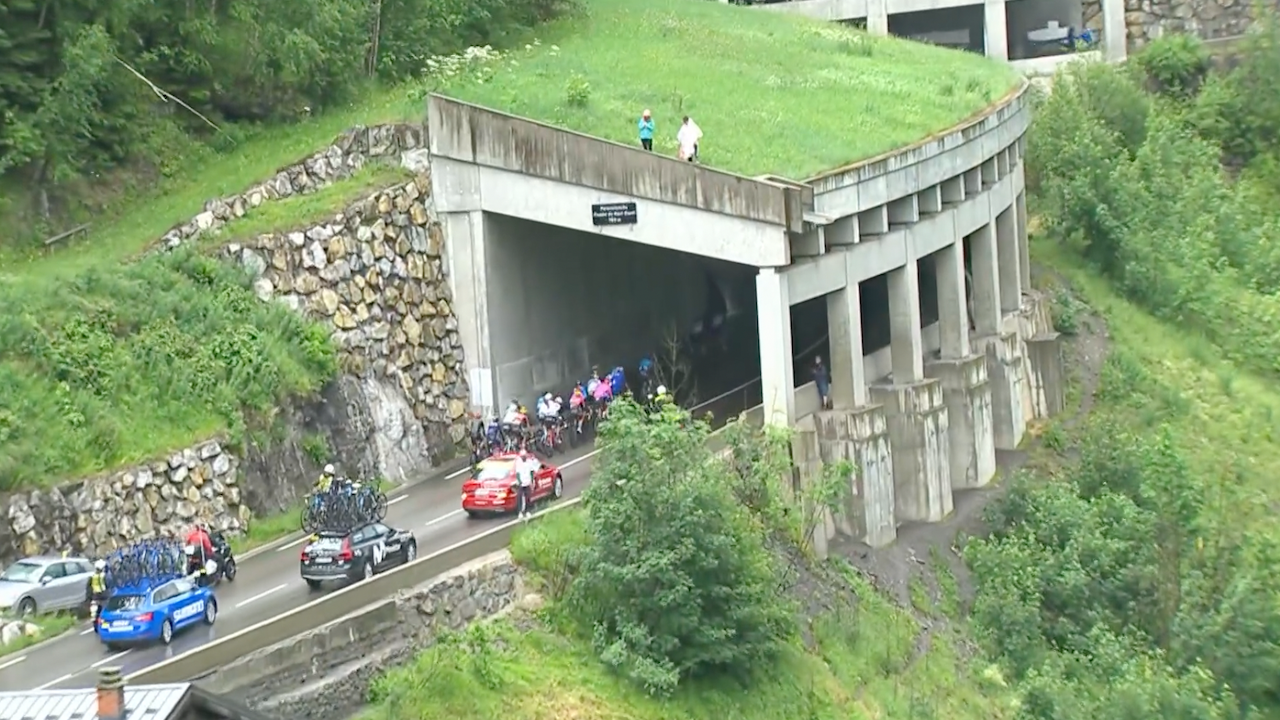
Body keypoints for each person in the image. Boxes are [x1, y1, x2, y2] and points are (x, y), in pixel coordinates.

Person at [515, 450, 539, 520]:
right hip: (521, 484)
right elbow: (518, 473)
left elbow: (531, 472)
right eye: (522, 456)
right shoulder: (518, 463)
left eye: (524, 456)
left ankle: (527, 511)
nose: (523, 458)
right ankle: (520, 512)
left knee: (528, 498)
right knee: (519, 498)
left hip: (527, 482)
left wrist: (531, 481)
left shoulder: (529, 462)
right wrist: (519, 481)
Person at [86, 559, 107, 626]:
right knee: (105, 612)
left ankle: (95, 621)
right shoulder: (105, 576)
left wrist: (88, 598)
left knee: (94, 613)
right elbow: (109, 585)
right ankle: (104, 623)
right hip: (105, 597)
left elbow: (89, 589)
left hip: (95, 597)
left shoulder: (92, 577)